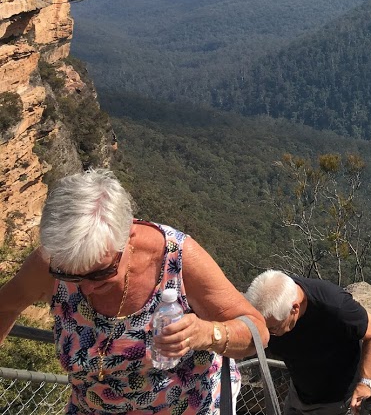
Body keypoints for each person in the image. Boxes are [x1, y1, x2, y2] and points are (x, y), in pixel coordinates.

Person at [0, 168, 270, 414]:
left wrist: (207, 333)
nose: (88, 286)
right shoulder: (49, 261)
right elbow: (5, 305)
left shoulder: (177, 258)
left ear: (129, 237)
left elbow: (257, 331)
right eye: (69, 275)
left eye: (101, 272)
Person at [245, 270, 371, 415]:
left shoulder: (335, 307)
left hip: (338, 402)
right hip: (298, 395)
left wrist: (365, 383)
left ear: (294, 309)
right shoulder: (274, 297)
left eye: (273, 328)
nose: (268, 334)